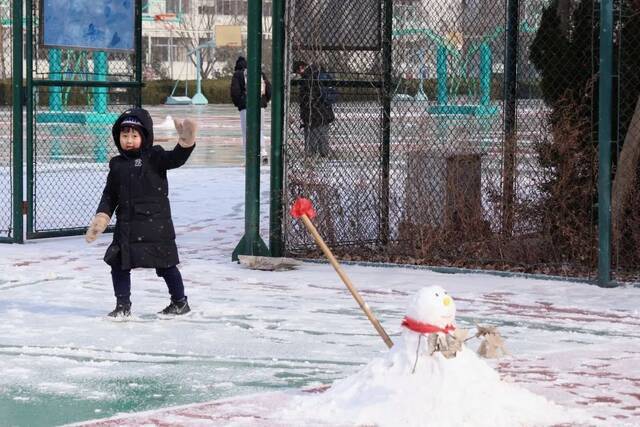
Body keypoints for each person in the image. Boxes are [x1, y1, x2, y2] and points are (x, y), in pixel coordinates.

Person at [84, 107, 198, 318]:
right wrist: (102, 216)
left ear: (144, 137)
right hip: (127, 226)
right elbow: (110, 195)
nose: (129, 140)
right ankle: (122, 305)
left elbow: (175, 159)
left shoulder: (155, 156)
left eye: (134, 136)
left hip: (155, 226)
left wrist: (185, 143)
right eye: (124, 135)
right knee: (118, 264)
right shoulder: (117, 165)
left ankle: (180, 302)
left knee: (166, 265)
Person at [230, 56, 272, 156]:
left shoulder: (237, 74)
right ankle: (263, 151)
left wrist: (239, 103)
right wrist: (265, 100)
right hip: (260, 105)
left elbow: (235, 92)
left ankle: (248, 155)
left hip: (245, 106)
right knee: (260, 129)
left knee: (246, 131)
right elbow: (269, 89)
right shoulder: (259, 73)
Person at [292, 60, 335, 157]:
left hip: (313, 115)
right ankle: (323, 157)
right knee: (323, 145)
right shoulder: (319, 73)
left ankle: (312, 160)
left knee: (310, 149)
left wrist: (305, 115)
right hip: (325, 113)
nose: (298, 75)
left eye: (297, 72)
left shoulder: (308, 77)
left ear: (301, 68)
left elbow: (306, 99)